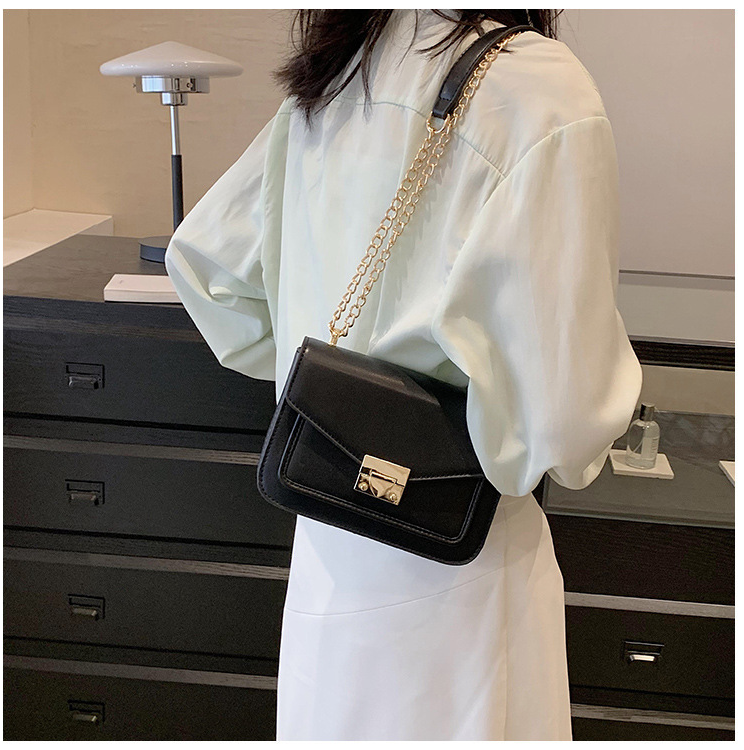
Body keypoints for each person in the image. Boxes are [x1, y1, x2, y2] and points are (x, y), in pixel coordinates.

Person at [164, 10, 642, 741]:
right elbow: (564, 425)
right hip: (458, 565)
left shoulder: (340, 71)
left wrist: (339, 390)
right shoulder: (538, 89)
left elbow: (209, 272)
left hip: (329, 544)